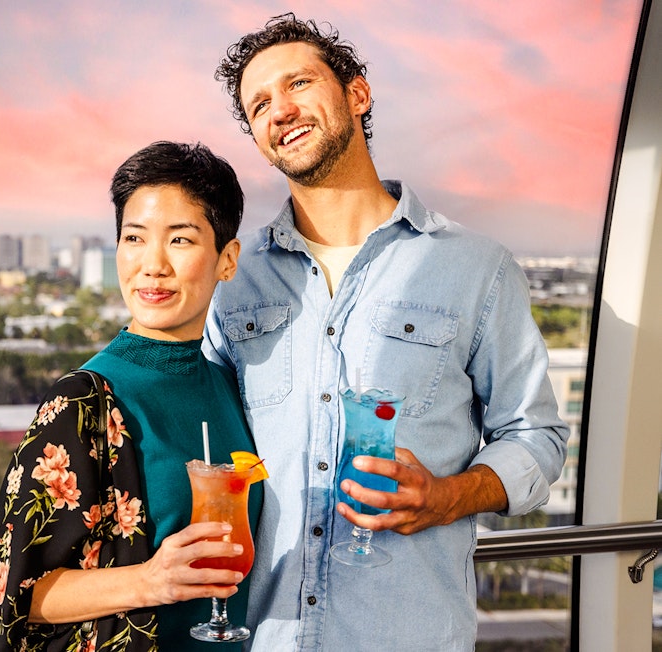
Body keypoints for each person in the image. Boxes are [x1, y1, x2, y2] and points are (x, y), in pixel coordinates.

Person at [203, 14, 569, 651]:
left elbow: (536, 437)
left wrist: (449, 496)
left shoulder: (475, 268)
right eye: (259, 104)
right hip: (262, 639)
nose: (280, 110)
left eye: (298, 85)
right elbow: (197, 435)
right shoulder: (233, 280)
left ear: (357, 94)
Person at [0, 141, 263, 651]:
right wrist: (151, 581)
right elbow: (5, 596)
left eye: (180, 240)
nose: (152, 265)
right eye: (134, 238)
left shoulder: (229, 384)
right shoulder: (85, 400)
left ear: (227, 260)